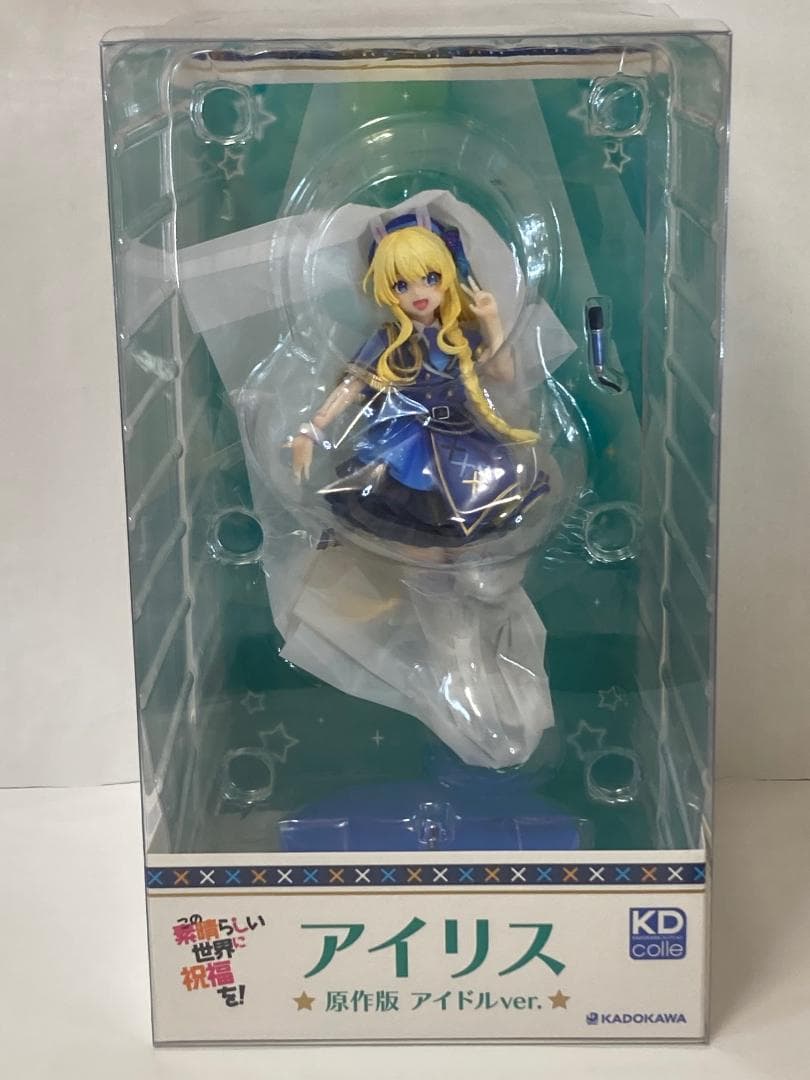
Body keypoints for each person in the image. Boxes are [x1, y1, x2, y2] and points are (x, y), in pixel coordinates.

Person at [291, 211, 551, 547]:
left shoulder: (462, 336)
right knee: (405, 509)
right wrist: (311, 430)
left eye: (431, 278)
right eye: (402, 285)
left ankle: (450, 559)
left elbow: (504, 375)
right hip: (405, 439)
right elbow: (351, 386)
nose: (419, 292)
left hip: (461, 436)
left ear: (447, 275)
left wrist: (492, 322)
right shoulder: (387, 340)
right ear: (387, 290)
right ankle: (409, 556)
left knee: (470, 503)